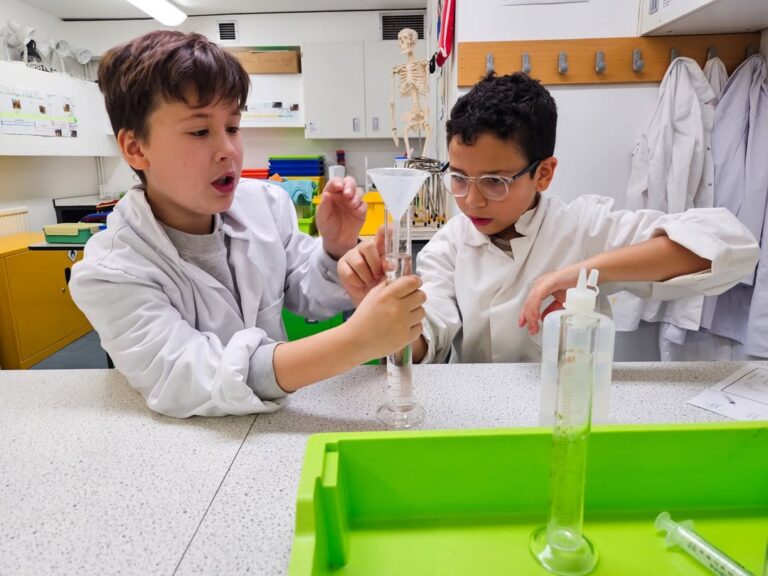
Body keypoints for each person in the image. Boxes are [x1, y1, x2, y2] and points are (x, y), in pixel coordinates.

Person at [70, 30, 425, 417]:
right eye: (200, 131)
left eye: (233, 127)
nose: (228, 150)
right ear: (136, 148)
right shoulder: (110, 271)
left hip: (277, 425)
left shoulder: (264, 205)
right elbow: (186, 378)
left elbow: (307, 297)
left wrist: (335, 249)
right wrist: (354, 342)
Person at [339, 73, 758, 364]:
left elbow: (730, 245)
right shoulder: (451, 243)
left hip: (567, 410)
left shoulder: (582, 227)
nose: (472, 201)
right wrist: (389, 316)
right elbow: (428, 338)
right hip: (475, 416)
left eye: (493, 181)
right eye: (460, 178)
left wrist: (582, 272)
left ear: (543, 173)